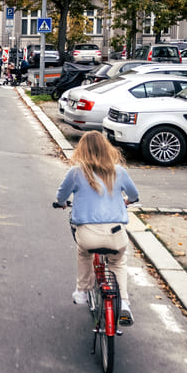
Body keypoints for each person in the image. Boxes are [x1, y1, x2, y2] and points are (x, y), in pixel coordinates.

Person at [55, 131, 140, 326]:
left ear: (81, 150)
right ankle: (124, 303)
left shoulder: (76, 172)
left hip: (88, 234)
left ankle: (83, 291)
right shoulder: (118, 171)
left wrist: (61, 203)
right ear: (107, 149)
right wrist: (128, 201)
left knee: (84, 253)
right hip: (116, 233)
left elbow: (61, 195)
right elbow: (134, 194)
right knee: (118, 262)